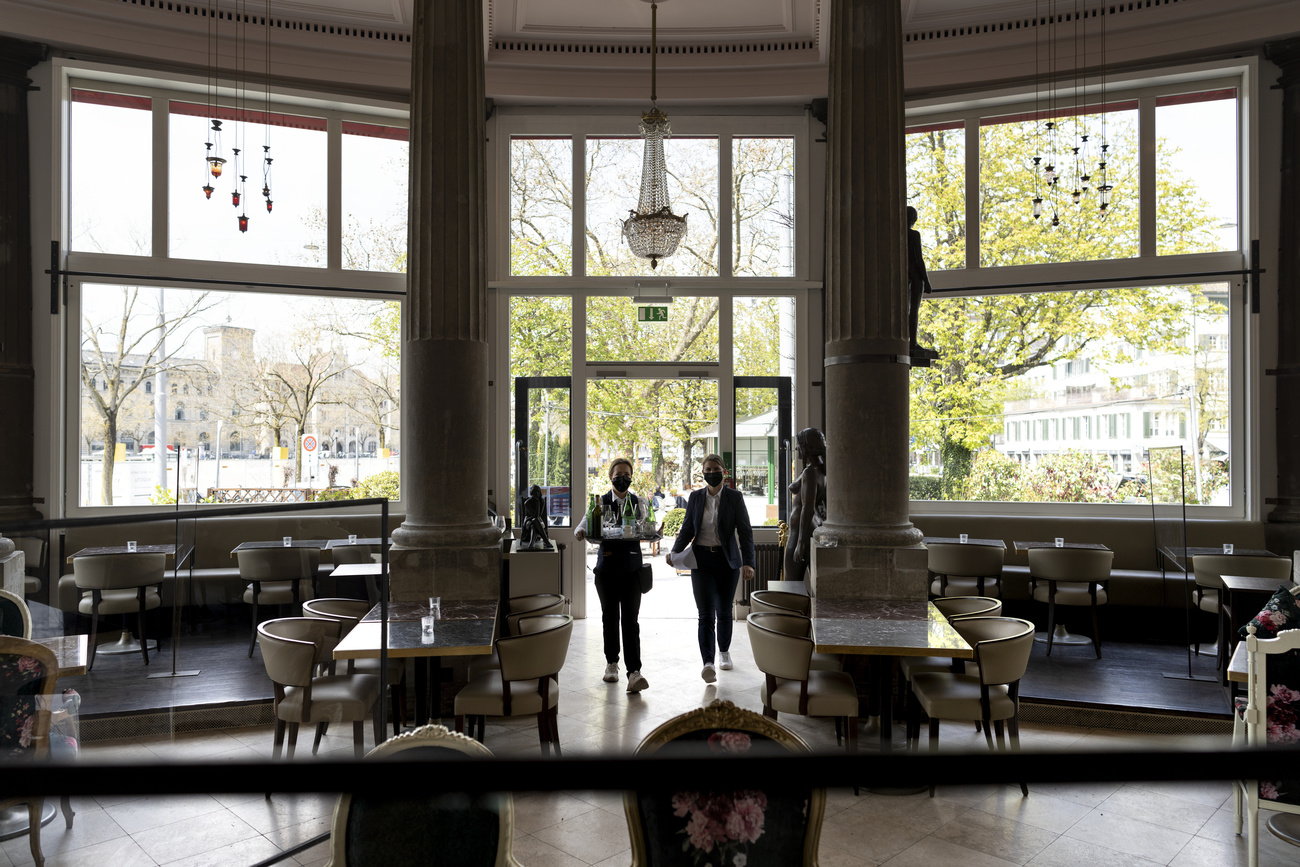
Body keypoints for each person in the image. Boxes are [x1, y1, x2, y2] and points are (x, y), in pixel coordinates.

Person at [667, 454, 755, 683]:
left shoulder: (734, 497)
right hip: (702, 561)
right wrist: (675, 552)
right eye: (708, 469)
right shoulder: (695, 497)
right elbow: (687, 529)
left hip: (727, 562)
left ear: (723, 472)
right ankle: (708, 662)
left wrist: (749, 563)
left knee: (724, 610)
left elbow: (745, 532)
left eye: (716, 469)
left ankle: (724, 652)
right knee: (705, 614)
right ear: (703, 472)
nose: (711, 472)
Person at [574, 458, 649, 693]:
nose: (622, 478)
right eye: (618, 474)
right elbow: (582, 526)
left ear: (631, 476)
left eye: (627, 474)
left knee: (630, 620)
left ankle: (634, 672)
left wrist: (653, 530)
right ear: (610, 477)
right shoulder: (600, 503)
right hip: (606, 571)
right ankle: (611, 664)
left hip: (632, 572)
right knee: (609, 618)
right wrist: (581, 532)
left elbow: (647, 527)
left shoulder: (639, 502)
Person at [784, 427, 827, 584]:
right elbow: (794, 487)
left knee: (792, 584)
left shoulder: (810, 472)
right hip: (810, 529)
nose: (796, 448)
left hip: (801, 533)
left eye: (798, 444)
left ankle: (794, 609)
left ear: (806, 447)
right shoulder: (818, 469)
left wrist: (800, 543)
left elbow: (807, 506)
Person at [907, 205, 938, 360]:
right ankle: (912, 343)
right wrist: (927, 281)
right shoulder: (914, 235)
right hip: (915, 276)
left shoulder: (897, 236)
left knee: (906, 310)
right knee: (914, 311)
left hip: (904, 276)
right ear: (913, 219)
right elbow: (919, 260)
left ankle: (908, 342)